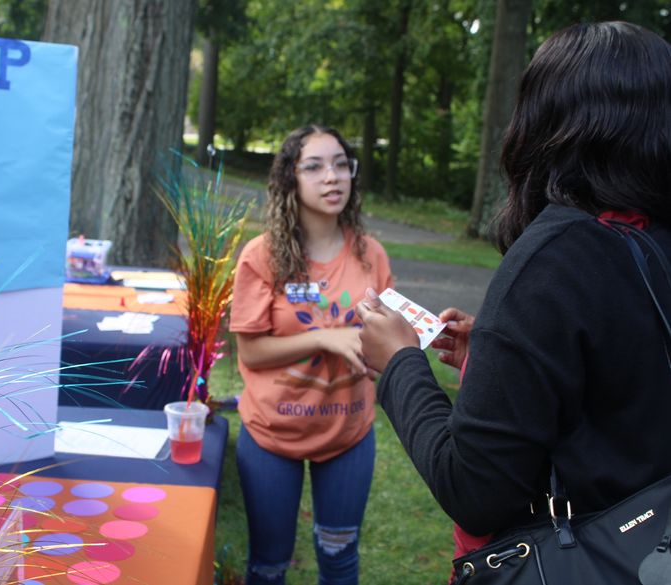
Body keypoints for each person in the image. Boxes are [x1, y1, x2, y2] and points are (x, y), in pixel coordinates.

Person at [355, 19, 671, 569]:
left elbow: (476, 492)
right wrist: (507, 352)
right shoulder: (650, 239)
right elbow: (624, 382)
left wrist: (401, 364)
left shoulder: (553, 261)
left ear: (547, 124)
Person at [229, 125, 393, 584]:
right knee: (268, 565)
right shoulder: (262, 257)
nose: (333, 176)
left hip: (348, 431)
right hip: (271, 434)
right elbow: (252, 351)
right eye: (315, 166)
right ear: (290, 179)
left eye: (342, 164)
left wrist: (418, 335)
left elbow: (390, 332)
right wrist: (324, 338)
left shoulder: (371, 255)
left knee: (339, 559)